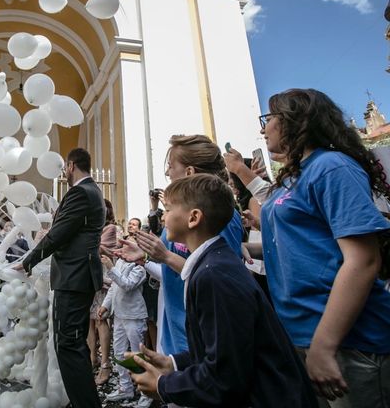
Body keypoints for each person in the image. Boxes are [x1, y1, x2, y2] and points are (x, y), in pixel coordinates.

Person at [130, 174, 318, 407]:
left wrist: (163, 386)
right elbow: (224, 348)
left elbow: (225, 377)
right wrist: (174, 364)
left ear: (194, 218)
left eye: (168, 209)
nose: (163, 216)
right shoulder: (212, 263)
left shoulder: (213, 276)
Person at [259, 89, 390, 407]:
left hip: (347, 340)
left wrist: (324, 344)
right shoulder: (294, 177)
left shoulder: (331, 167)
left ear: (294, 121)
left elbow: (363, 259)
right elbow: (296, 242)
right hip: (304, 335)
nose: (263, 128)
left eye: (269, 118)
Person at [117, 135, 244, 357]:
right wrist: (147, 256)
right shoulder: (178, 213)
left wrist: (165, 256)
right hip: (173, 321)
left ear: (189, 172)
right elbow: (172, 258)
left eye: (170, 166)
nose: (167, 173)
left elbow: (222, 279)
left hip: (199, 333)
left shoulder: (221, 215)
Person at [21, 148, 105, 408]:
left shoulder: (80, 193)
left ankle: (85, 404)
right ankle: (83, 400)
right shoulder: (95, 191)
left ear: (71, 166)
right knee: (73, 342)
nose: (63, 174)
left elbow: (59, 234)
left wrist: (27, 261)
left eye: (64, 169)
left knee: (68, 344)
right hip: (78, 275)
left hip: (74, 276)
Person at [98, 248, 151, 407]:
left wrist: (110, 267)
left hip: (134, 316)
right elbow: (114, 287)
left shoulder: (140, 268)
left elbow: (127, 285)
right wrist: (105, 305)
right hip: (119, 315)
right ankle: (125, 387)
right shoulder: (120, 262)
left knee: (136, 355)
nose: (123, 250)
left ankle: (146, 392)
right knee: (120, 352)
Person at [89, 199, 116, 386]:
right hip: (89, 275)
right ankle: (92, 358)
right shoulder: (92, 227)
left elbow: (97, 248)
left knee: (100, 318)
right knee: (89, 319)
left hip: (104, 274)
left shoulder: (110, 228)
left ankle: (105, 362)